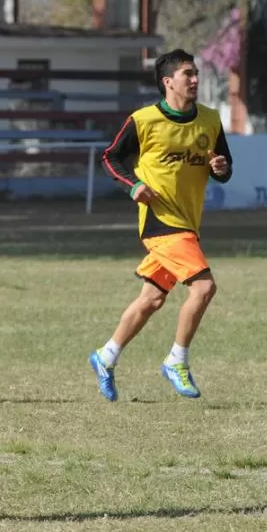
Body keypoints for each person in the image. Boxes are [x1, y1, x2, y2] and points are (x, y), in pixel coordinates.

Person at [89, 49, 233, 402]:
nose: (195, 79)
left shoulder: (211, 120)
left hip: (188, 223)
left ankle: (105, 356)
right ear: (168, 82)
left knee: (152, 299)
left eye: (196, 73)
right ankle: (176, 360)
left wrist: (221, 168)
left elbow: (225, 166)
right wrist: (134, 185)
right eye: (188, 74)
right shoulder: (143, 120)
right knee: (203, 288)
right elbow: (109, 157)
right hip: (160, 223)